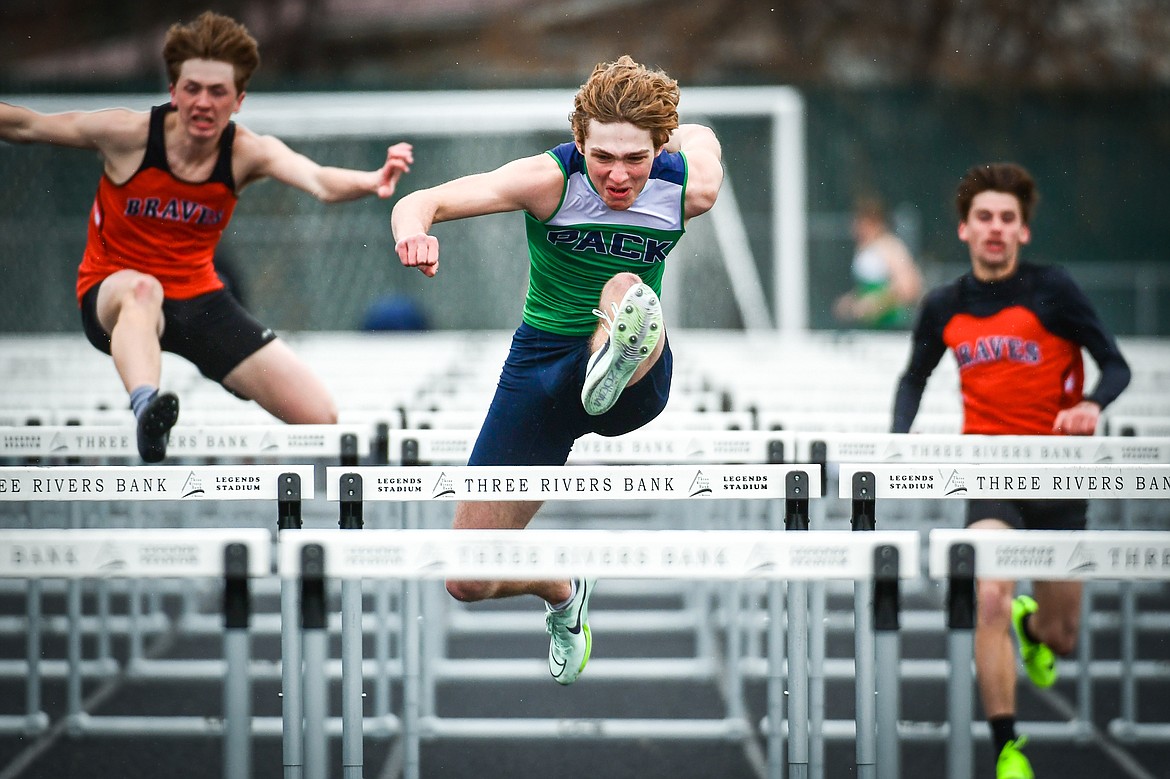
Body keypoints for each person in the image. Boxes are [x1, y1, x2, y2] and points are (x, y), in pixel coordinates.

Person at [391, 55, 723, 685]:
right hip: (540, 369)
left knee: (626, 290)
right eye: (602, 157)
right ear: (578, 143)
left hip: (634, 377)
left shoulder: (688, 189)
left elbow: (703, 139)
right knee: (467, 577)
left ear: (658, 147)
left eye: (635, 158)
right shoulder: (547, 180)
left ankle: (611, 353)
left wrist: (675, 131)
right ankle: (561, 590)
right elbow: (424, 199)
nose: (618, 176)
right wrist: (414, 233)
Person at [0, 11, 413, 462]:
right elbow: (28, 126)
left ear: (238, 100)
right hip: (116, 292)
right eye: (192, 89)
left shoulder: (247, 152)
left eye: (217, 92)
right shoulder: (129, 135)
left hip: (198, 300)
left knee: (320, 417)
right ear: (174, 91)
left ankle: (228, 376)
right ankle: (146, 410)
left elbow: (318, 180)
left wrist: (374, 179)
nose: (203, 103)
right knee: (143, 289)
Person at [891, 163, 1131, 778]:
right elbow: (914, 377)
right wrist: (897, 442)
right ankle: (1007, 745)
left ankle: (1036, 625)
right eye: (984, 219)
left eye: (1007, 219)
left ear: (1022, 231)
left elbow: (1115, 365)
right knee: (989, 596)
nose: (995, 229)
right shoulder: (944, 304)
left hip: (1059, 478)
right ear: (965, 229)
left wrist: (1090, 404)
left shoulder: (1055, 289)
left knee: (1062, 638)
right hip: (988, 476)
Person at [833, 196, 923, 329]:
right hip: (871, 327)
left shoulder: (889, 246)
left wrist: (877, 303)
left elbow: (910, 287)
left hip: (892, 327)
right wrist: (851, 302)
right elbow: (868, 289)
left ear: (876, 223)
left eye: (862, 223)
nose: (856, 228)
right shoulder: (863, 249)